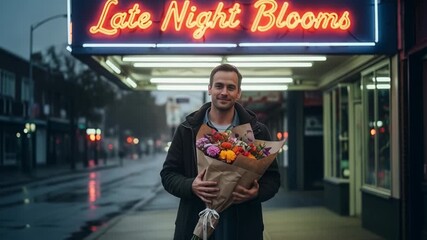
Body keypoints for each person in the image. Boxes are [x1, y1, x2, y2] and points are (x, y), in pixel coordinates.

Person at [160, 63, 281, 240]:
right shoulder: (187, 130)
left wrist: (256, 193)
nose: (224, 92)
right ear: (209, 89)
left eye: (231, 87)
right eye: (219, 86)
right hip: (195, 224)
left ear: (238, 93)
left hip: (243, 226)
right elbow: (168, 174)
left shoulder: (257, 131)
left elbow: (273, 179)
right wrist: (191, 185)